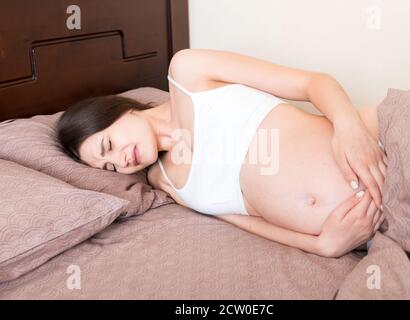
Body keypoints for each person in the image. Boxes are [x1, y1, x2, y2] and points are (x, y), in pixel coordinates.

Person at [57, 48, 387, 258]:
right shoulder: (163, 179)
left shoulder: (188, 72)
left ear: (118, 111)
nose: (119, 161)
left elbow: (313, 83)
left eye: (108, 146)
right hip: (378, 227)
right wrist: (320, 246)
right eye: (109, 167)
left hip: (389, 146)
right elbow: (241, 218)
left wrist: (349, 129)